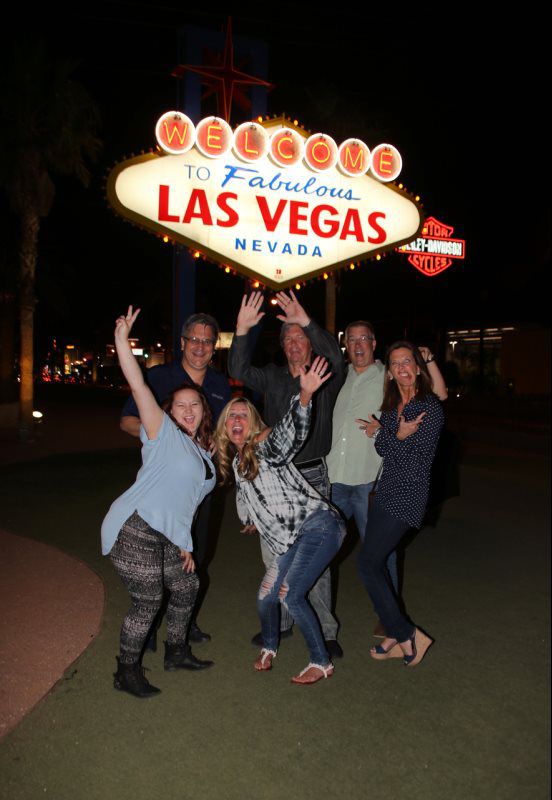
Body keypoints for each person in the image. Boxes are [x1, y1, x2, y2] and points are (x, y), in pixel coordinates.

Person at [102, 306, 216, 698]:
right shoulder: (161, 431)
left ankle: (176, 651)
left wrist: (184, 542)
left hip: (166, 535)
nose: (188, 410)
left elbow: (187, 502)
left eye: (195, 404)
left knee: (186, 584)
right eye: (180, 404)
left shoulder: (202, 452)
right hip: (134, 528)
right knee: (148, 600)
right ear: (169, 411)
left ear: (203, 411)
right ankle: (126, 671)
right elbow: (138, 386)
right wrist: (122, 341)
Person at [228, 290, 345, 658]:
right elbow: (238, 371)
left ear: (310, 343)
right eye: (288, 339)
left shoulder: (324, 376)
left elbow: (337, 356)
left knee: (317, 563)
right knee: (275, 555)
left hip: (313, 478)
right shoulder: (272, 378)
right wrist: (242, 330)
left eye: (300, 337)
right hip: (275, 480)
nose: (294, 344)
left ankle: (326, 631)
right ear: (282, 347)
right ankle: (280, 623)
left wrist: (306, 320)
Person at [328, 322, 447, 635]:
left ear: (373, 342)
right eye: (351, 339)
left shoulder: (403, 387)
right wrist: (390, 434)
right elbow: (384, 443)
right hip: (349, 481)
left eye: (363, 339)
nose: (357, 345)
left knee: (379, 556)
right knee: (333, 548)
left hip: (384, 486)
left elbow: (437, 397)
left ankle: (392, 621)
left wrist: (429, 360)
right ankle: (382, 620)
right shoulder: (344, 379)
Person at [120, 312, 231, 644]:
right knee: (157, 558)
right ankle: (151, 624)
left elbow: (223, 431)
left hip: (200, 489)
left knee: (197, 554)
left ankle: (183, 622)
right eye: (194, 339)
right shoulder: (158, 377)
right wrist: (170, 438)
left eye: (207, 341)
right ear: (182, 342)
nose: (200, 346)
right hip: (162, 489)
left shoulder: (220, 385)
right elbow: (127, 421)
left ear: (214, 347)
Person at [356, 341, 445, 666]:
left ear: (418, 368)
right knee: (374, 563)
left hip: (408, 496)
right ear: (390, 373)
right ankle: (395, 633)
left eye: (407, 361)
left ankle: (406, 633)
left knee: (367, 564)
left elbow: (413, 458)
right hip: (385, 492)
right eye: (396, 364)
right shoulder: (392, 405)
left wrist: (395, 437)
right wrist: (394, 436)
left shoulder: (429, 408)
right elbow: (382, 447)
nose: (402, 368)